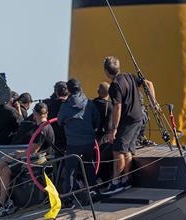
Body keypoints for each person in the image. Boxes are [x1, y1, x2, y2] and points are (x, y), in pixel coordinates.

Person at [100, 56, 157, 195]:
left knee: (117, 150)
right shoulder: (129, 76)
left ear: (107, 72)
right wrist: (153, 102)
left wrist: (113, 129)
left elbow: (117, 108)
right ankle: (126, 180)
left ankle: (116, 182)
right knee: (128, 151)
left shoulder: (114, 87)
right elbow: (148, 83)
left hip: (128, 120)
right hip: (138, 118)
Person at [0, 102, 55, 215]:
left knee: (5, 170)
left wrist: (16, 156)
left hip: (39, 161)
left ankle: (3, 201)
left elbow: (33, 151)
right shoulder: (45, 126)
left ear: (34, 114)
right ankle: (3, 199)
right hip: (37, 157)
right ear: (47, 113)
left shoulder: (42, 129)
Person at [57, 79, 100, 209]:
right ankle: (93, 191)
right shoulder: (89, 103)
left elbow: (59, 121)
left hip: (73, 143)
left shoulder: (65, 106)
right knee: (89, 165)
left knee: (70, 170)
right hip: (88, 141)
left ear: (68, 90)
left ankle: (68, 199)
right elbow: (97, 120)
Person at [44, 81, 69, 152]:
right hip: (68, 141)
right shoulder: (72, 106)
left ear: (55, 92)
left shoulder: (47, 105)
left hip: (52, 141)